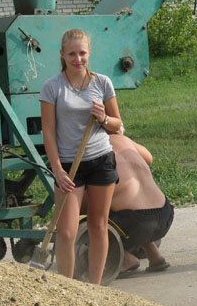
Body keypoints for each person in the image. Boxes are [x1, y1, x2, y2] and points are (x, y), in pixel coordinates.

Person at [40, 28, 122, 285]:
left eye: (82, 53)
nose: (78, 59)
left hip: (100, 160)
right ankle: (69, 288)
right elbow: (49, 131)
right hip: (68, 165)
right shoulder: (52, 87)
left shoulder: (102, 83)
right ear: (62, 55)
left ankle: (95, 288)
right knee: (66, 231)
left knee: (98, 225)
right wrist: (57, 169)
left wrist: (103, 117)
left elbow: (117, 124)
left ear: (90, 53)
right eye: (72, 54)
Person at [108, 133, 173, 275]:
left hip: (136, 224)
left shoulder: (93, 150)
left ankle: (125, 259)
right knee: (134, 203)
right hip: (165, 215)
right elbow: (149, 157)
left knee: (96, 215)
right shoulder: (122, 140)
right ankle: (154, 254)